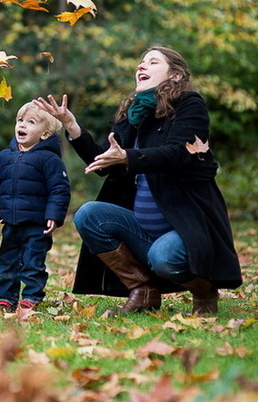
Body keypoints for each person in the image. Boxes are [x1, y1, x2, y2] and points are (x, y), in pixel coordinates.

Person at [35, 46, 242, 316]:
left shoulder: (190, 104)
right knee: (88, 215)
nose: (141, 67)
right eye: (141, 63)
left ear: (176, 75)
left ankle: (204, 292)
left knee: (163, 257)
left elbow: (178, 153)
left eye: (153, 62)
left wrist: (128, 157)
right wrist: (72, 126)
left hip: (183, 226)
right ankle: (143, 290)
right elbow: (103, 161)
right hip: (142, 229)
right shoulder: (136, 112)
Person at [0, 101, 71, 315]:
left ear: (45, 134)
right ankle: (7, 297)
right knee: (7, 261)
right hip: (9, 221)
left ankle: (32, 296)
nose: (22, 125)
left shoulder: (49, 159)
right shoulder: (4, 157)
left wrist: (54, 215)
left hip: (37, 223)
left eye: (30, 122)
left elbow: (59, 189)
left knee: (33, 261)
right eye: (20, 120)